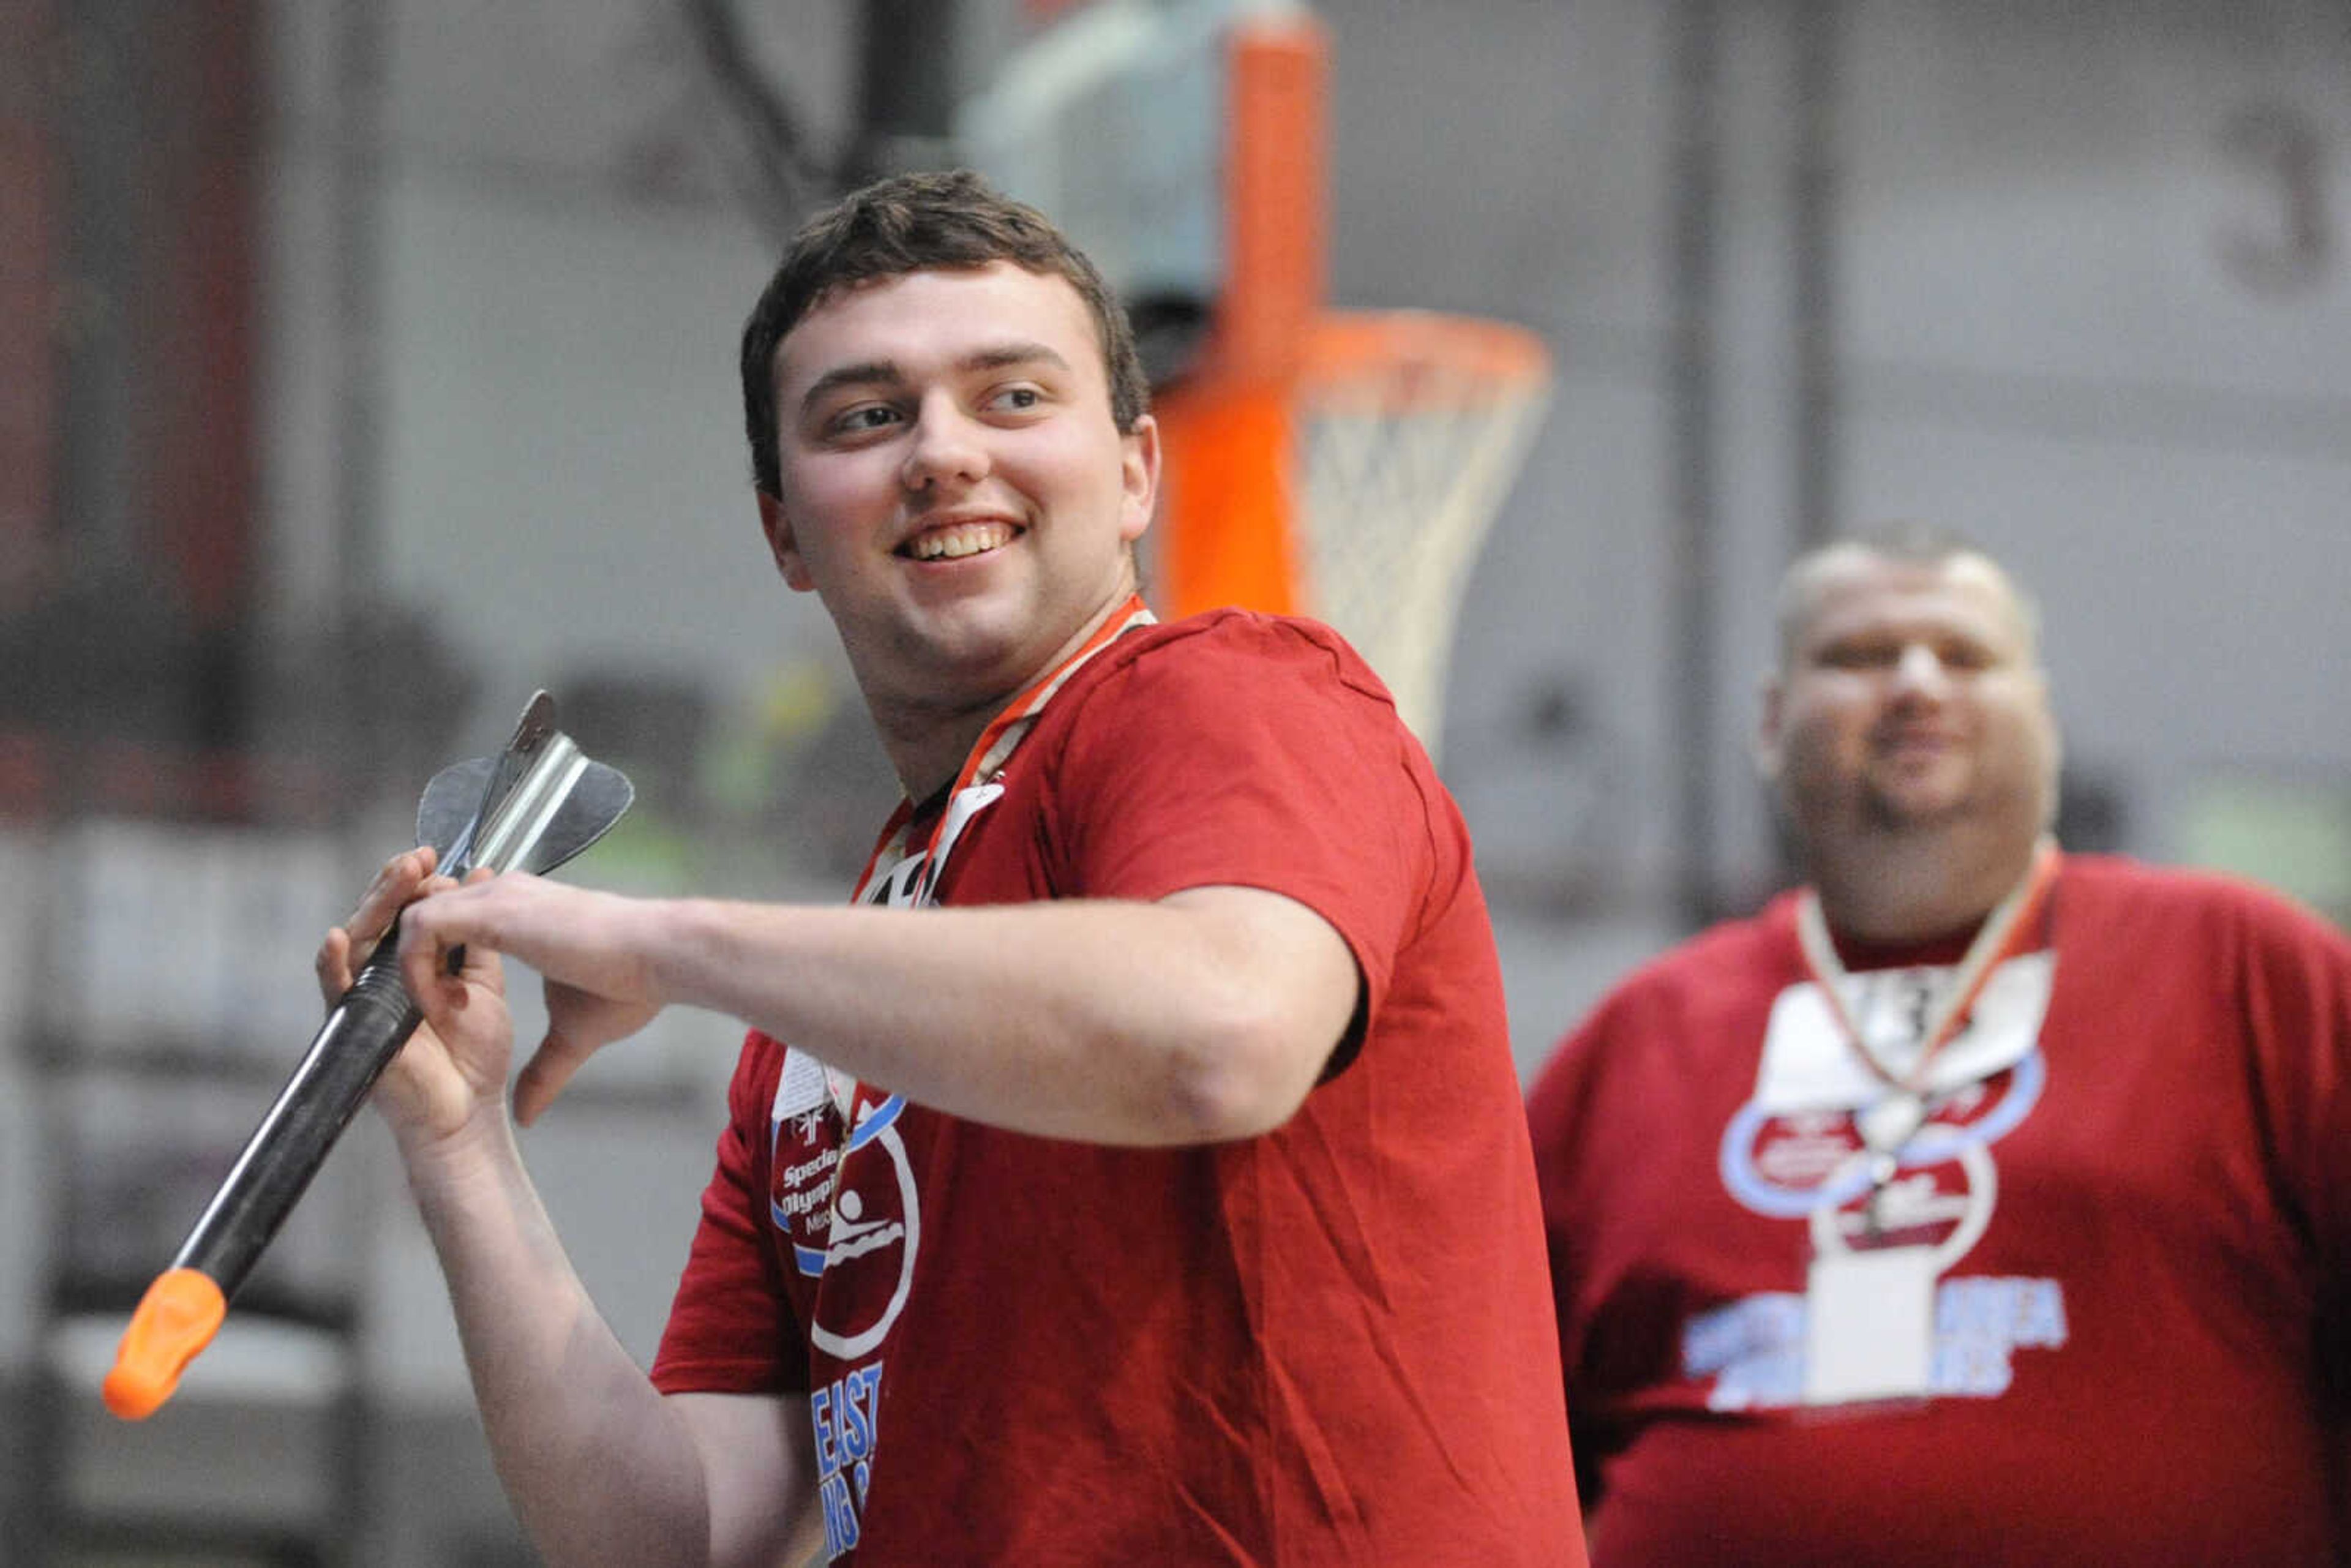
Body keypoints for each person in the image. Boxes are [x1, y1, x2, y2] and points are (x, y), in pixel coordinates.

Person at [320, 168, 1583, 1566]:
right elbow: (668, 1539)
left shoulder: (1230, 695)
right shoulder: (835, 1018)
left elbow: (1220, 1035)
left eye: (1014, 398)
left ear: (1135, 475)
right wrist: (459, 1140)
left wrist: (663, 944)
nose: (942, 453)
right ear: (786, 532)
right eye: (867, 417)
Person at [1524, 524, 2350, 1565]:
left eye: (1966, 655)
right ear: (1774, 724)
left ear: (2044, 721)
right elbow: (1486, 1429)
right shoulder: (1637, 1039)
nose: (1917, 683)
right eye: (1860, 656)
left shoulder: (2245, 969)